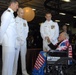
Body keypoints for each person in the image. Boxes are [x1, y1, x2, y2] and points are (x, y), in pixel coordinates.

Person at [0, 0, 19, 75]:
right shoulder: (7, 14)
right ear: (12, 4)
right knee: (7, 66)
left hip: (11, 43)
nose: (17, 7)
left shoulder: (10, 14)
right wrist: (0, 41)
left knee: (9, 65)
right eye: (17, 5)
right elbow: (2, 29)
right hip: (8, 43)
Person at [14, 8, 29, 75]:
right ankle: (14, 72)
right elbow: (13, 31)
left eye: (23, 13)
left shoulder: (25, 21)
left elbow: (26, 31)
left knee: (23, 57)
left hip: (23, 42)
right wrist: (18, 38)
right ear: (17, 12)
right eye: (21, 13)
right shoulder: (14, 20)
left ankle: (24, 71)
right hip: (16, 42)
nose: (22, 14)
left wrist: (23, 39)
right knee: (15, 58)